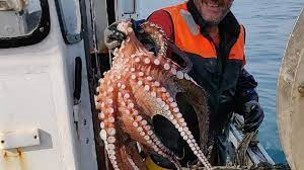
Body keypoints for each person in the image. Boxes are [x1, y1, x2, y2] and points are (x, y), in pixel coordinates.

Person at [105, 0, 264, 168]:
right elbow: (140, 33)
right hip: (168, 160)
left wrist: (248, 100)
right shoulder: (168, 21)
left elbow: (238, 78)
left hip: (214, 153)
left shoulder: (237, 33)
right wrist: (122, 32)